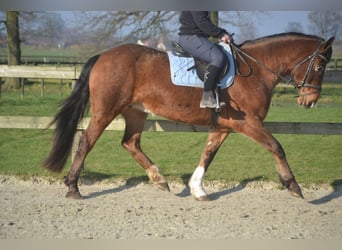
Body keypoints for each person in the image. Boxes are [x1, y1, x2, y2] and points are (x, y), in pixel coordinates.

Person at [178, 11, 233, 108]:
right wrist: (220, 34)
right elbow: (202, 21)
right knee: (218, 57)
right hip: (192, 37)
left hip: (194, 36)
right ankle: (207, 97)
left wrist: (222, 32)